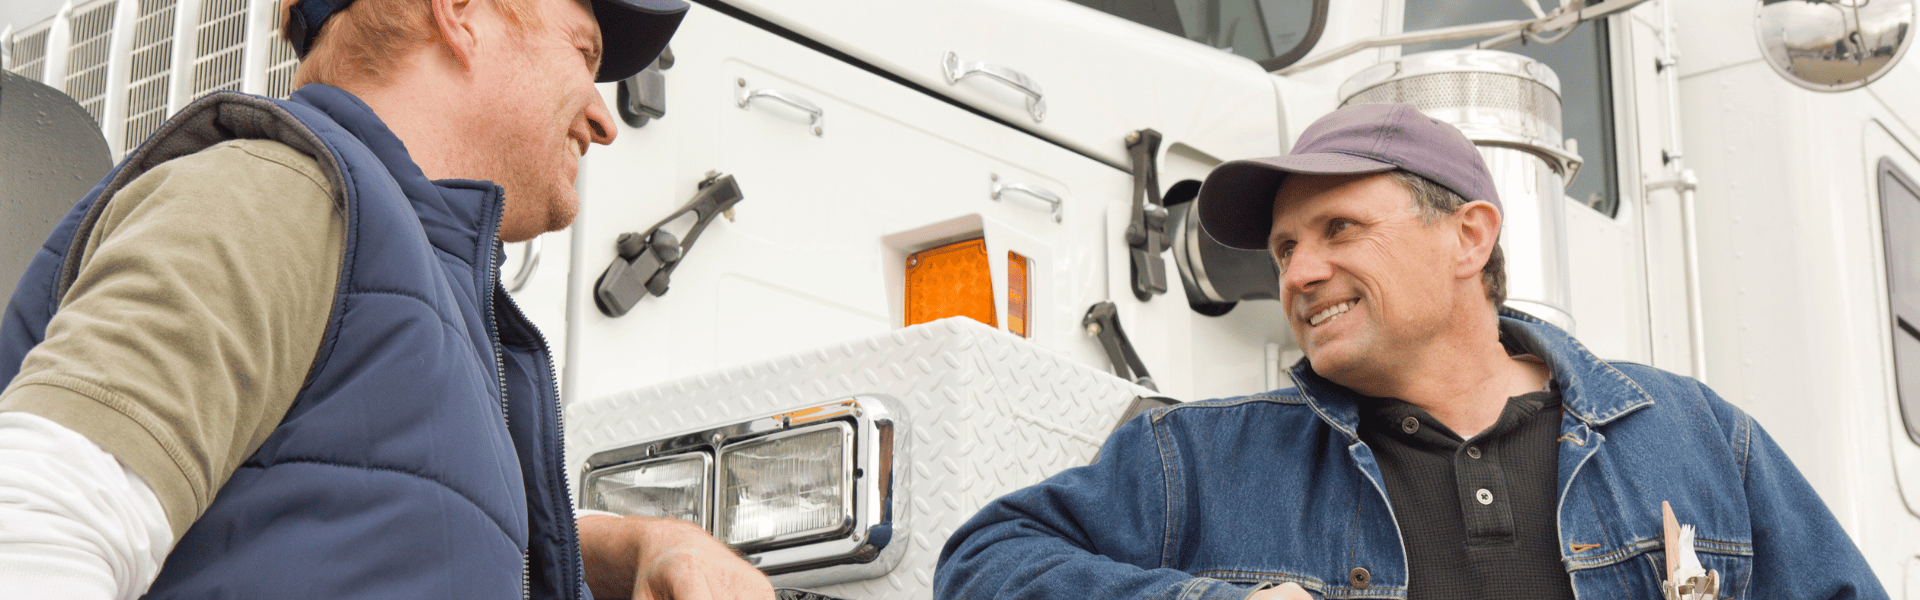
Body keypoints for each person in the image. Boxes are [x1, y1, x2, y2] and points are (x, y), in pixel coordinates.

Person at [933, 103, 1888, 600]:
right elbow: (980, 565)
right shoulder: (1198, 458)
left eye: (1339, 229)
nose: (1301, 272)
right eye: (1284, 250)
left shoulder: (1693, 436)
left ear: (1468, 237)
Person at [0, 0, 775, 597]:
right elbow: (37, 526)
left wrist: (630, 547)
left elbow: (361, 510)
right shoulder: (277, 196)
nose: (604, 118)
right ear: (462, 13)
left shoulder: (415, 284)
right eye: (584, 52)